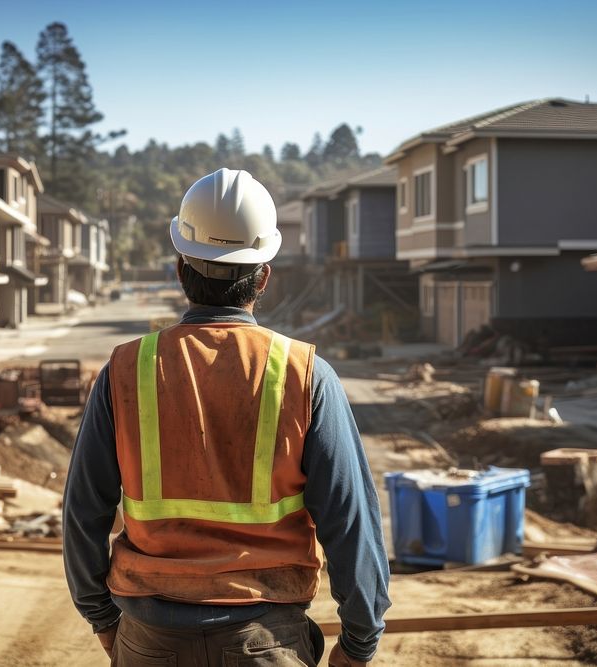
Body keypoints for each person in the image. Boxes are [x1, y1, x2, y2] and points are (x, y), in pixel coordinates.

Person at [63, 168, 390, 666]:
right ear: (264, 275)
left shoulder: (126, 370)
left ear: (179, 268)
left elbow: (83, 512)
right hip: (266, 641)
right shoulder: (305, 374)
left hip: (149, 640)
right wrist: (359, 639)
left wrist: (103, 619)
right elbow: (351, 521)